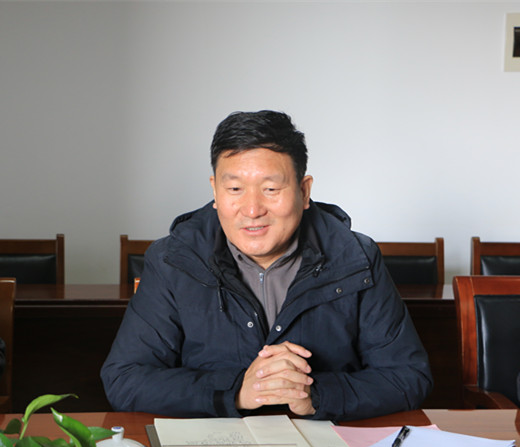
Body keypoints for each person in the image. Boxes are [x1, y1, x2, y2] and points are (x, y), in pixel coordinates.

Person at [101, 110, 432, 421]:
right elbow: (125, 379)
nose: (252, 209)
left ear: (304, 191)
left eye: (271, 189)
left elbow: (409, 376)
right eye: (234, 189)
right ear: (215, 190)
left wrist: (316, 395)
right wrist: (235, 392)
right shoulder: (174, 259)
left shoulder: (355, 257)